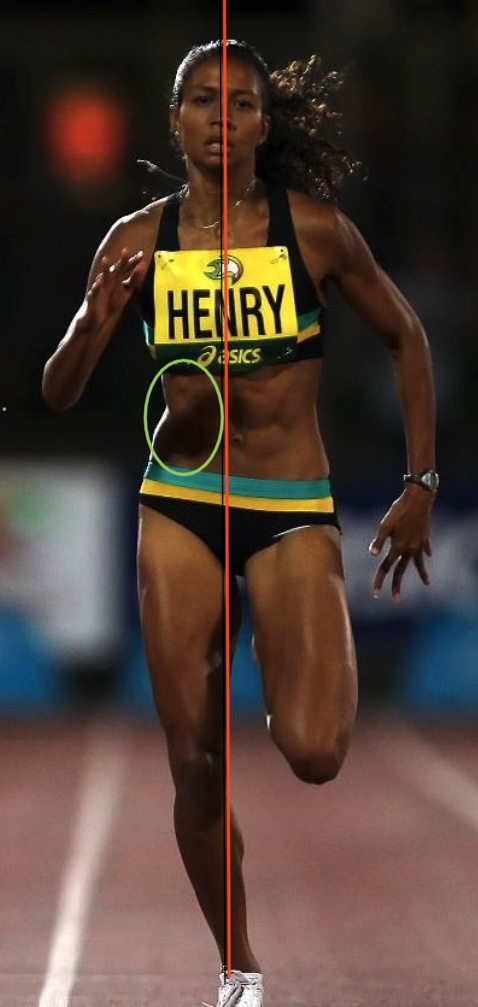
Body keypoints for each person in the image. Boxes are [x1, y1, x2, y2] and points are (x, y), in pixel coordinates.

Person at [41, 39, 437, 1007]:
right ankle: (240, 962)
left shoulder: (315, 232)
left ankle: (272, 643)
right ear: (171, 120)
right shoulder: (135, 242)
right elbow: (56, 390)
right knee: (192, 757)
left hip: (288, 505)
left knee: (313, 750)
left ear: (267, 123)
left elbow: (405, 335)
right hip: (179, 501)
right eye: (203, 100)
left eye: (244, 103)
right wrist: (95, 323)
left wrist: (417, 478)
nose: (223, 117)